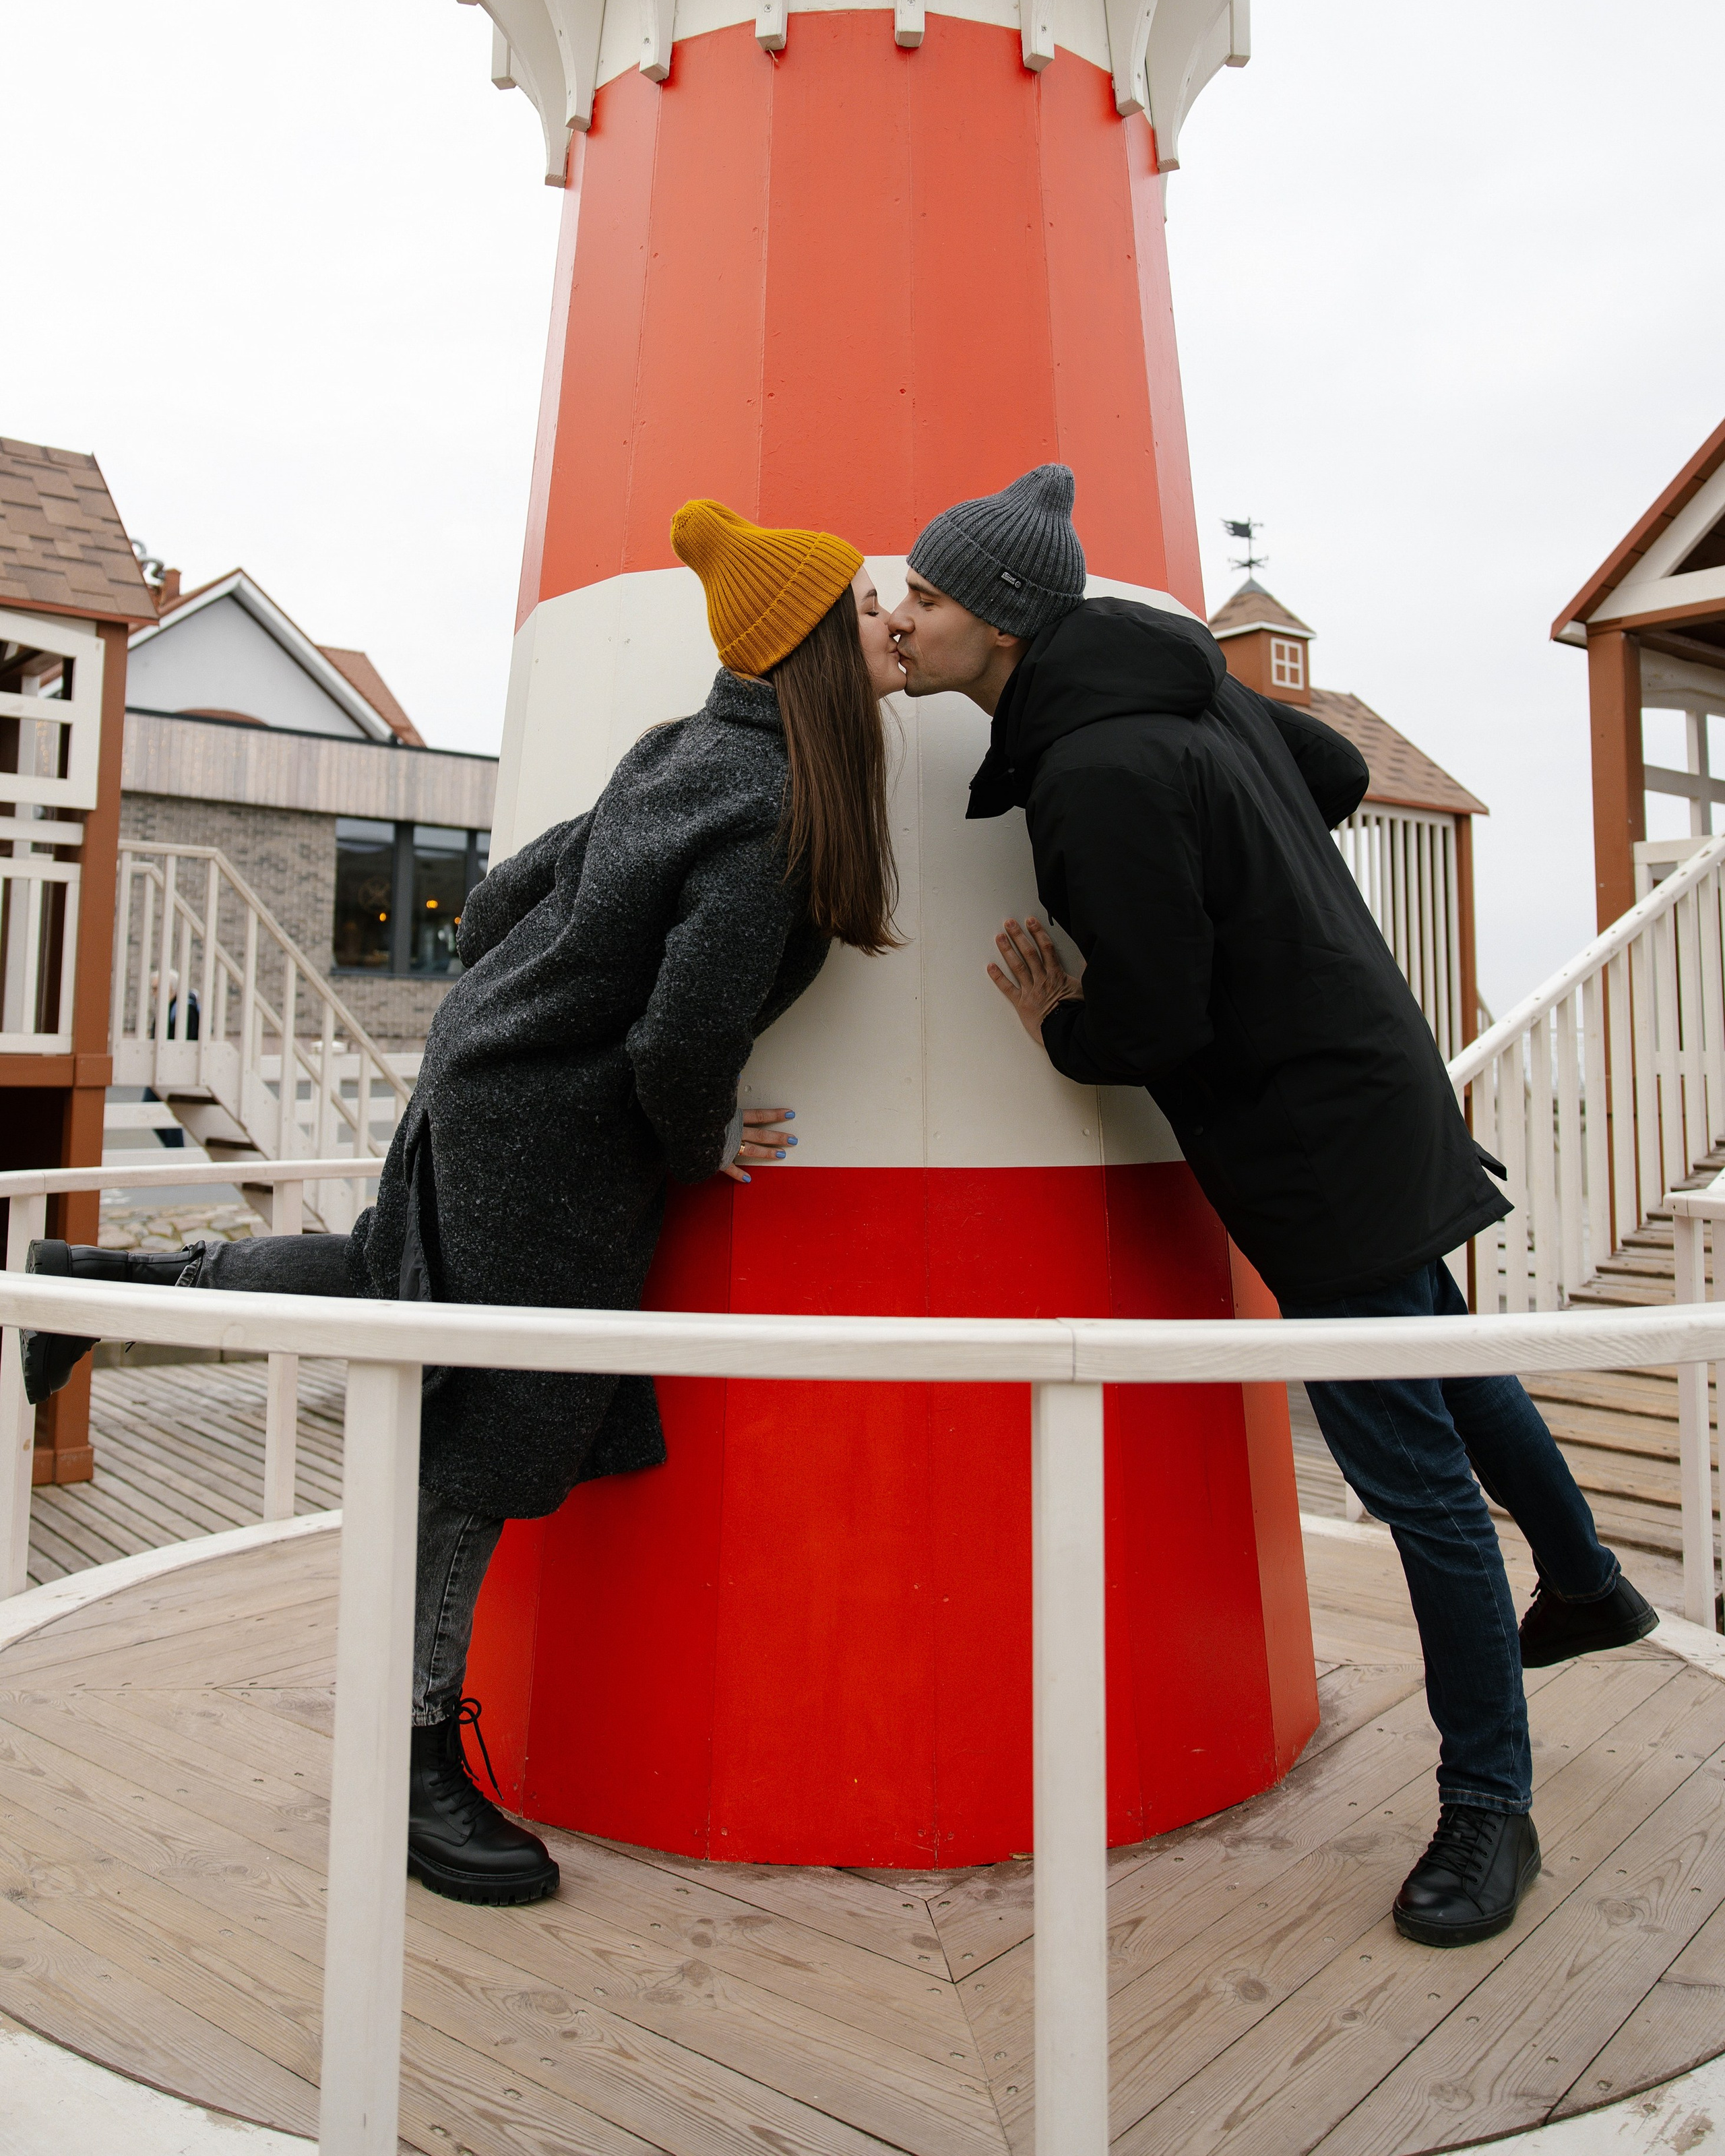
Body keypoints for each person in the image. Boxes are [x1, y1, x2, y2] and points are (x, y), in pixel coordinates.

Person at [24, 500, 906, 1907]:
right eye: (864, 603)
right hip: (548, 1143)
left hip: (489, 1083)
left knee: (389, 1287)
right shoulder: (773, 808)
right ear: (806, 642)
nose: (892, 615)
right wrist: (699, 1144)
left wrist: (529, 1019)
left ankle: (109, 1281)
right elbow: (679, 1042)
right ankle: (414, 1755)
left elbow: (502, 902)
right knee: (482, 1440)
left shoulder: (680, 753)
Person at [887, 460, 1657, 1951]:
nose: (899, 617)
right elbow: (1342, 779)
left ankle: (1488, 1803)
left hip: (1309, 1139)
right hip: (1371, 1078)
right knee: (1444, 1357)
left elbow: (1159, 1022)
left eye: (922, 595)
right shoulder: (1186, 691)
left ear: (997, 619)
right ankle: (1583, 1582)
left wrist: (1058, 1027)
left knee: (1411, 1476)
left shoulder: (1096, 769)